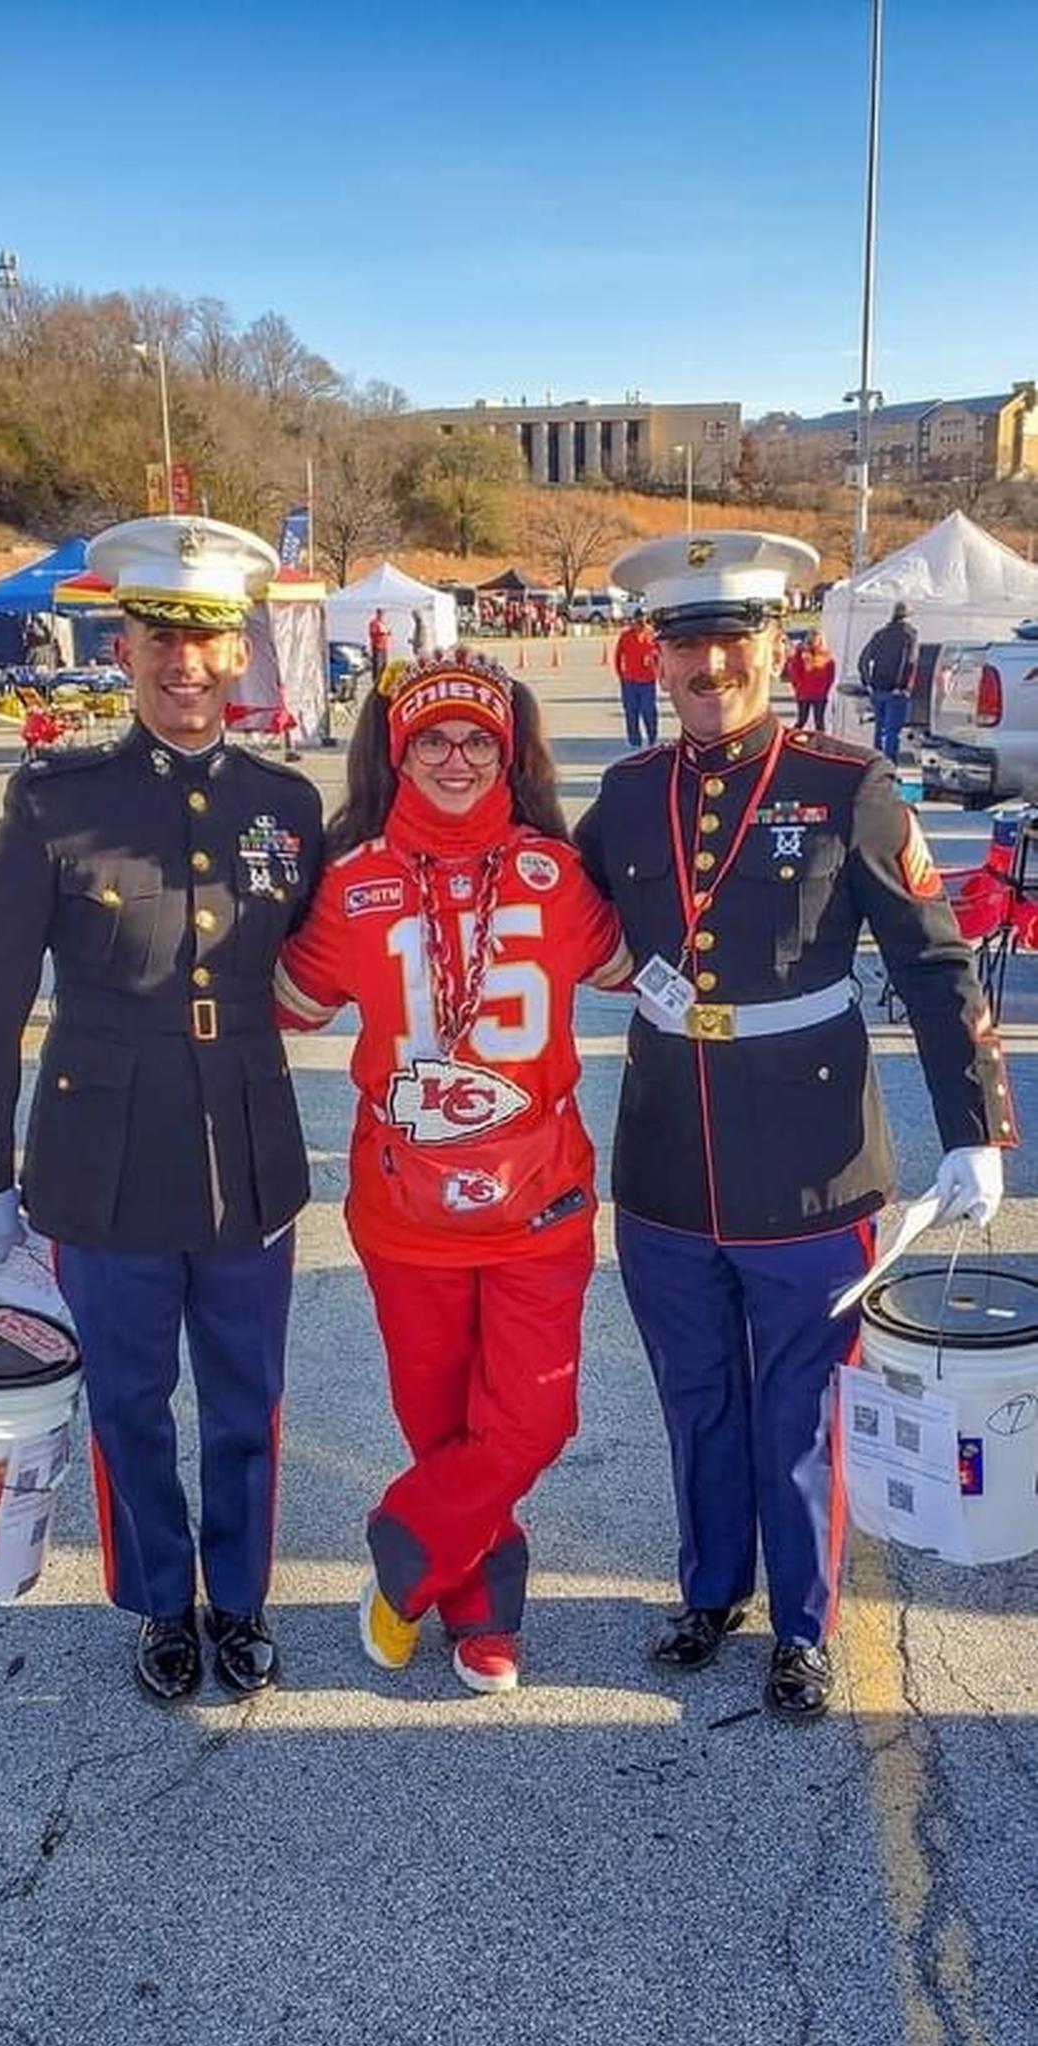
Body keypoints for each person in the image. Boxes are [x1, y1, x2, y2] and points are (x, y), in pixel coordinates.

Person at [576, 531, 1015, 1723]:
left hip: (813, 1162)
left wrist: (974, 1126)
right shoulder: (626, 796)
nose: (710, 665)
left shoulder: (846, 785)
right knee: (696, 1395)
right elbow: (547, 911)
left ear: (777, 645)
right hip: (668, 1155)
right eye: (687, 645)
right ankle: (711, 1590)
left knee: (805, 1406)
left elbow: (933, 961)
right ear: (656, 658)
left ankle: (805, 1624)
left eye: (734, 639)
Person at [0, 515, 325, 1703]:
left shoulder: (287, 803)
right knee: (128, 1402)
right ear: (124, 646)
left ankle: (241, 1597)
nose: (185, 663)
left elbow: (332, 960)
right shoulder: (56, 802)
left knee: (248, 1402)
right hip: (99, 1157)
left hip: (248, 1151)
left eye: (207, 639)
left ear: (241, 649)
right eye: (161, 636)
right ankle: (162, 1598)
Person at [274, 650, 630, 1693]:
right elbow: (286, 1006)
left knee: (533, 1420)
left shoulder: (555, 873)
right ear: (399, 753)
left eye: (479, 739)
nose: (458, 758)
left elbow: (644, 968)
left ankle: (407, 1545)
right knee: (442, 1428)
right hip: (406, 1212)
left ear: (510, 754)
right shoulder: (353, 882)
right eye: (433, 739)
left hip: (539, 1201)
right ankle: (481, 1611)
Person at [857, 600, 919, 761]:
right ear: (908, 616)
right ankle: (888, 766)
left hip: (878, 688)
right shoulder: (910, 635)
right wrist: (904, 686)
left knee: (880, 729)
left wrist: (868, 683)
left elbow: (863, 660)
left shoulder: (880, 634)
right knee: (892, 732)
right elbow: (910, 662)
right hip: (897, 691)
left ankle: (876, 765)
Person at [612, 609, 660, 749]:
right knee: (631, 711)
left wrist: (658, 670)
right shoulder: (625, 636)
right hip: (629, 681)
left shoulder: (652, 635)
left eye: (643, 621)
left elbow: (661, 654)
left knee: (648, 710)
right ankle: (634, 742)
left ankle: (652, 736)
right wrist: (621, 674)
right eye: (638, 621)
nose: (640, 624)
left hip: (647, 681)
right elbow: (618, 655)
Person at [782, 627, 836, 732]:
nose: (814, 641)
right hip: (804, 693)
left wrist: (825, 690)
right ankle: (791, 737)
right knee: (802, 720)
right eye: (812, 638)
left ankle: (820, 741)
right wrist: (797, 687)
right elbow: (794, 671)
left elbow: (830, 675)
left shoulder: (826, 655)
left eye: (816, 638)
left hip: (819, 694)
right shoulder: (801, 653)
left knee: (819, 722)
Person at [368, 608, 391, 684]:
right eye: (380, 613)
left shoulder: (383, 623)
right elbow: (373, 633)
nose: (382, 615)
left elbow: (386, 632)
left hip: (384, 646)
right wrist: (383, 633)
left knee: (385, 663)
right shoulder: (374, 622)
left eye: (383, 613)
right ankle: (375, 681)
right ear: (377, 613)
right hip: (377, 646)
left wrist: (388, 633)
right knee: (377, 664)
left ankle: (383, 679)